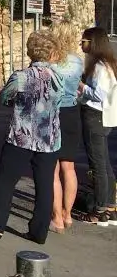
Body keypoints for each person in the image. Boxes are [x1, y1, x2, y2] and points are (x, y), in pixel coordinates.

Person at [0, 32, 62, 244]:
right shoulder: (58, 78)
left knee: (5, 181)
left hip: (21, 135)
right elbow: (62, 101)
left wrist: (16, 104)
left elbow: (4, 97)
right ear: (52, 52)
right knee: (44, 184)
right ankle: (39, 232)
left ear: (30, 51)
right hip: (48, 138)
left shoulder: (21, 77)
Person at [76, 27, 117, 226]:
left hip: (95, 116)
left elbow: (99, 94)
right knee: (104, 162)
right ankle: (109, 206)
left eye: (83, 41)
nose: (81, 44)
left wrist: (82, 88)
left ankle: (100, 210)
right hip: (104, 116)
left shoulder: (99, 67)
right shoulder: (107, 64)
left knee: (98, 165)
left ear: (93, 43)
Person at [47, 22, 83, 231]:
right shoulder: (77, 62)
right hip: (71, 113)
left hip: (54, 113)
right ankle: (67, 214)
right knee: (68, 167)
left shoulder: (52, 62)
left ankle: (56, 217)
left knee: (52, 169)